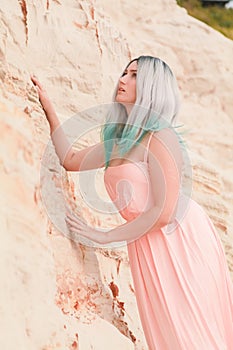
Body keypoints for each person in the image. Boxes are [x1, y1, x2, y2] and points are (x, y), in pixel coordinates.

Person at [31, 56, 233, 349]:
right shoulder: (120, 142)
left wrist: (105, 235)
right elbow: (70, 159)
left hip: (180, 240)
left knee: (192, 331)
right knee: (167, 332)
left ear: (152, 87)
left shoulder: (160, 137)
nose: (123, 80)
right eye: (124, 72)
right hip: (145, 242)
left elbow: (163, 214)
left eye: (135, 75)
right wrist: (48, 106)